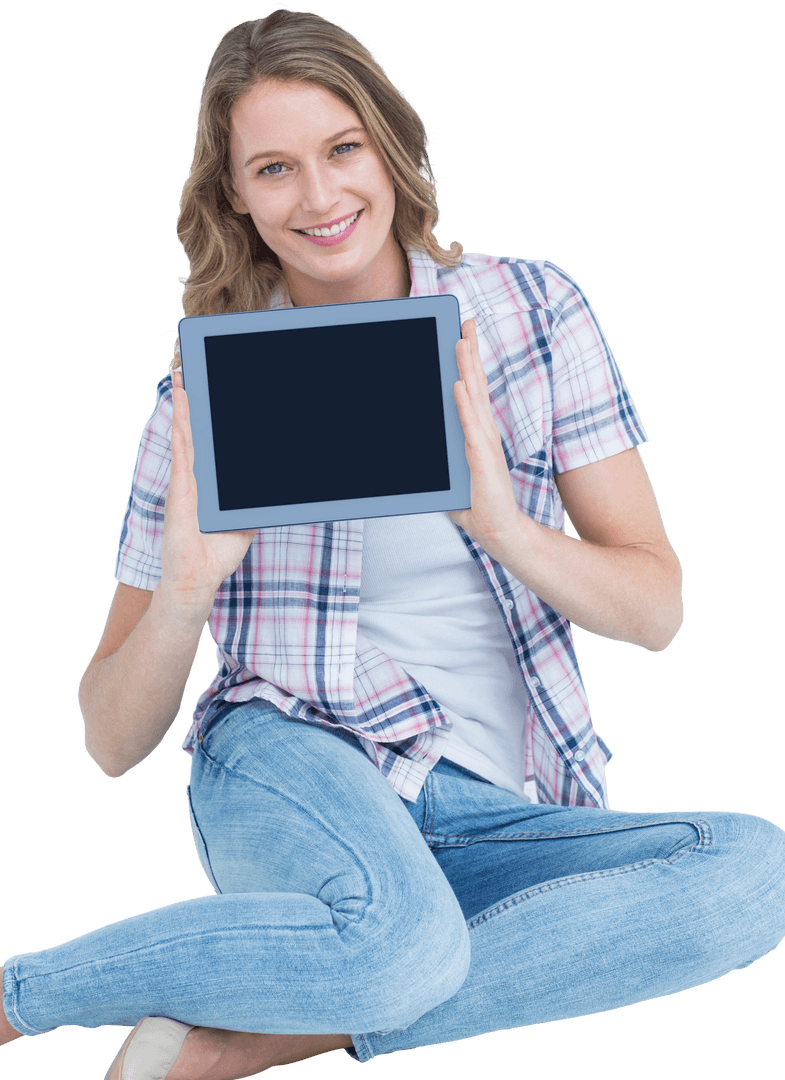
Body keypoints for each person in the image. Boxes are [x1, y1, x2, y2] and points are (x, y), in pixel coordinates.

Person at [2, 6, 784, 1079]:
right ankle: (17, 1000)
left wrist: (499, 524)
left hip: (497, 802)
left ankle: (248, 1042)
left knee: (754, 873)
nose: (319, 199)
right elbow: (107, 738)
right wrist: (185, 594)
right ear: (234, 191)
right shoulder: (202, 393)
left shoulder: (530, 311)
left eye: (340, 150)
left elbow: (653, 612)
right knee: (401, 943)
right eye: (273, 168)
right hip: (292, 757)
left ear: (388, 142)